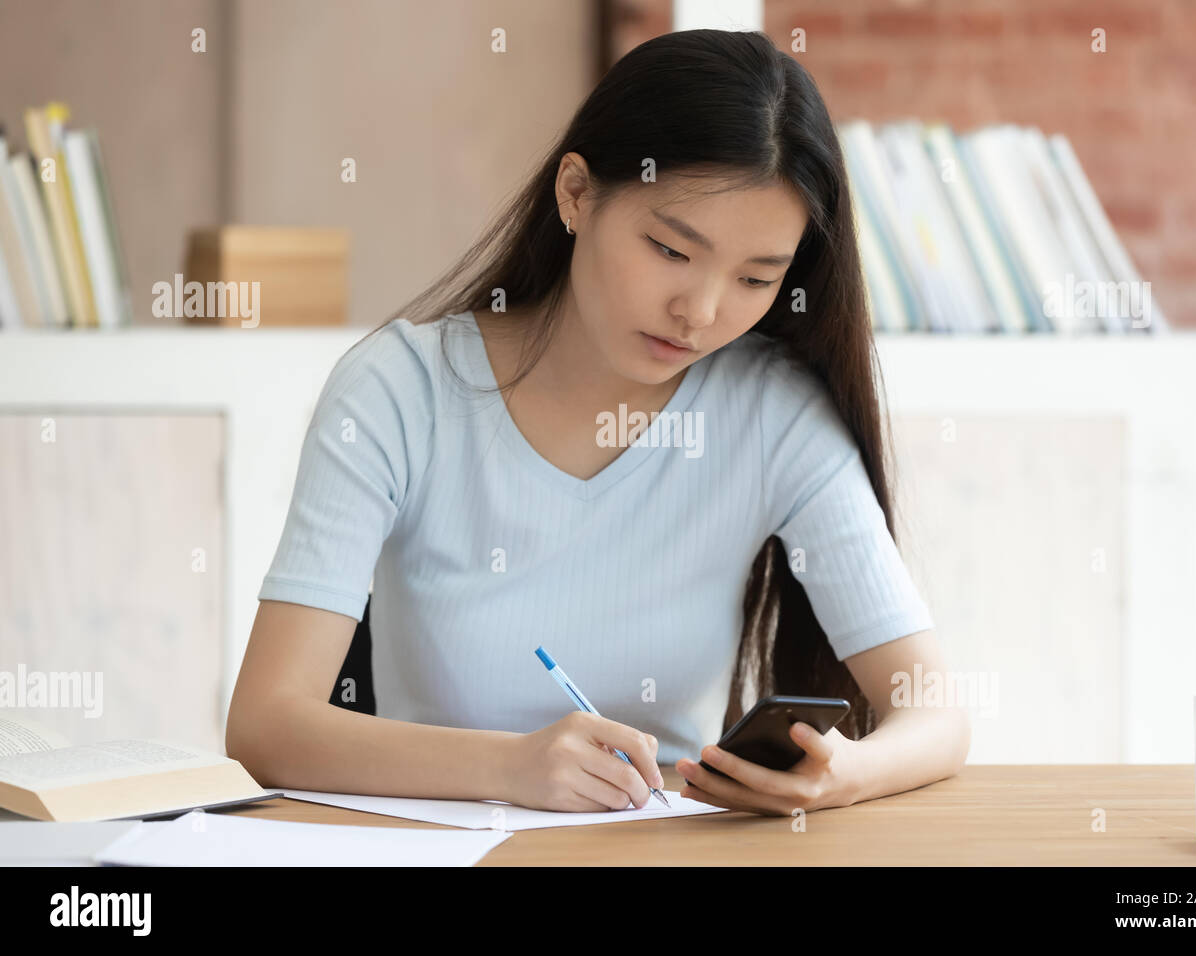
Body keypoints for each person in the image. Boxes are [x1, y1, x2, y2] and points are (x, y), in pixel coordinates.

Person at [226, 28, 970, 816]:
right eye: (670, 250)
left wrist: (841, 773)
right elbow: (267, 723)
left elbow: (935, 713)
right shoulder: (398, 392)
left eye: (757, 277)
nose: (702, 311)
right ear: (576, 193)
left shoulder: (772, 416)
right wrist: (511, 768)